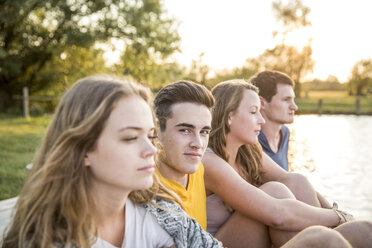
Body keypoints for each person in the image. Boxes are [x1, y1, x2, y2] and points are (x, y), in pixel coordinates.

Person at [1, 76, 222, 248]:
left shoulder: (160, 211)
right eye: (130, 137)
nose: (151, 150)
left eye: (150, 135)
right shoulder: (43, 239)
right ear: (83, 148)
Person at [202, 79, 372, 248]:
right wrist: (336, 216)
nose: (261, 120)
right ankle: (322, 238)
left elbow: (292, 180)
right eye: (254, 112)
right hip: (219, 244)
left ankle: (326, 237)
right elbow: (276, 213)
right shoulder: (209, 162)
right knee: (275, 191)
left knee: (365, 230)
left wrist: (332, 213)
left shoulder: (248, 151)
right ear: (229, 117)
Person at [154, 80, 214, 230]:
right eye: (185, 130)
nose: (198, 144)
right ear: (156, 132)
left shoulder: (198, 168)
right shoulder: (146, 189)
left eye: (204, 132)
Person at [250, 70, 297, 171]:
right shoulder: (249, 141)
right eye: (286, 100)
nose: (294, 107)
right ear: (261, 103)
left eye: (293, 99)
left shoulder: (285, 133)